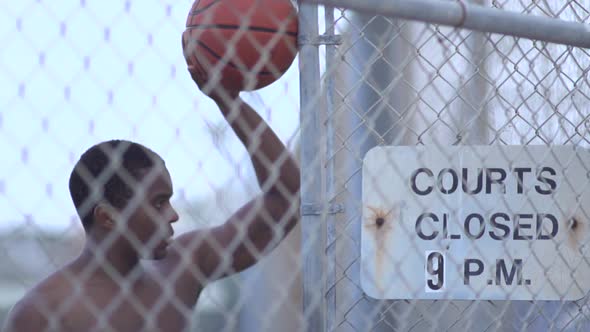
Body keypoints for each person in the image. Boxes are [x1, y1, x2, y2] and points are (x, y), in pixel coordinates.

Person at [2, 68, 300, 331]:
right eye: (159, 203)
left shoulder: (181, 268)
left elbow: (286, 196)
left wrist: (227, 100)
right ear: (108, 217)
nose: (173, 215)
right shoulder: (42, 312)